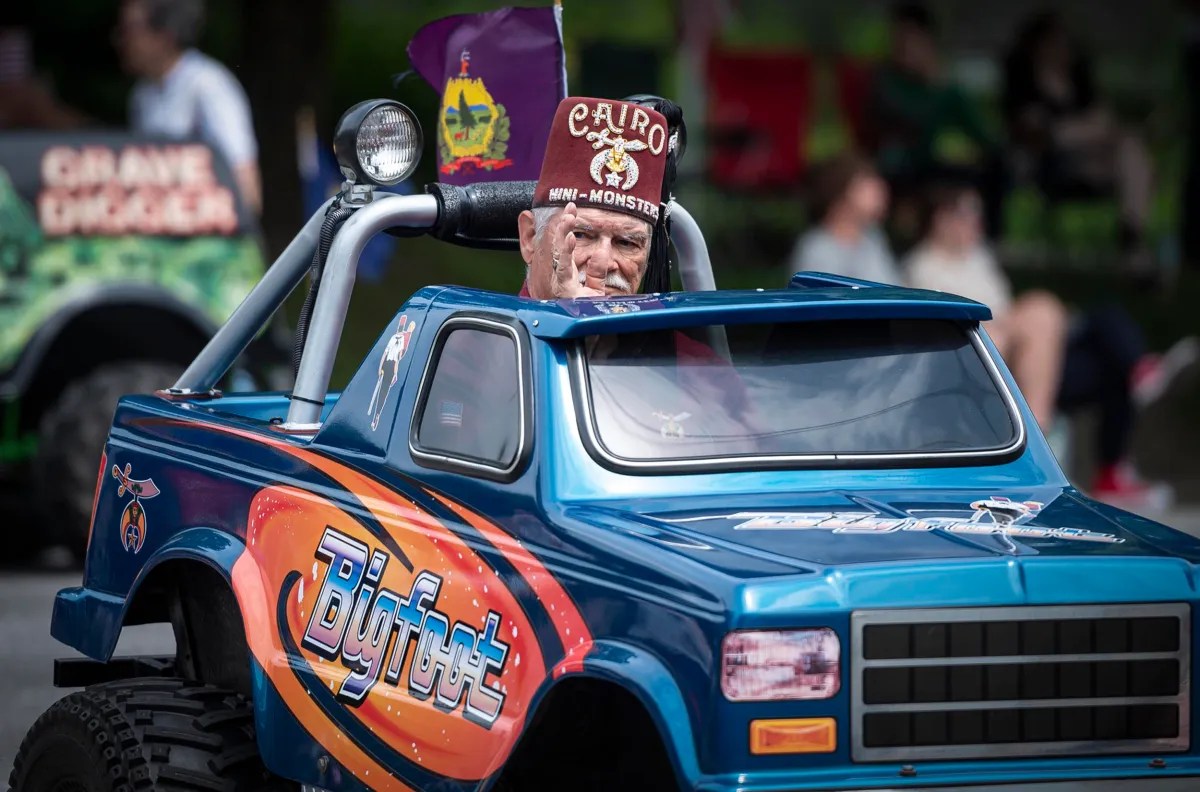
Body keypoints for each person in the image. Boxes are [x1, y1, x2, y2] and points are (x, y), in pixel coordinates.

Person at [903, 182, 1197, 510]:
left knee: (1107, 337)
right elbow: (958, 329)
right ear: (942, 219)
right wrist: (1029, 319)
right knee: (1045, 308)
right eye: (967, 214)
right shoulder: (923, 265)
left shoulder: (978, 259)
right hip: (989, 368)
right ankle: (1041, 432)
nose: (976, 223)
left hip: (1028, 359)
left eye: (978, 214)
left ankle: (1129, 408)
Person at [1002, 11, 1156, 276]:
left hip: (1097, 163)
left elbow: (1106, 123)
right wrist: (1081, 129)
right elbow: (1035, 134)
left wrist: (1074, 130)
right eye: (1054, 43)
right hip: (1053, 168)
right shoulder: (1024, 87)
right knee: (1123, 146)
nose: (1062, 50)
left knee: (1130, 148)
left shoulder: (1080, 85)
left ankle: (1131, 235)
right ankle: (1132, 242)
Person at [861, 2, 1007, 241]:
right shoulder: (887, 82)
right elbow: (902, 123)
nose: (905, 48)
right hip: (905, 166)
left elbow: (985, 138)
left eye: (912, 41)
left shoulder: (949, 90)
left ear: (928, 42)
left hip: (945, 166)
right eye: (901, 41)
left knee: (996, 165)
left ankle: (990, 242)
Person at [114, 0, 262, 214]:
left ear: (165, 36)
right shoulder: (142, 96)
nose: (121, 40)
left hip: (207, 236)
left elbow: (246, 186)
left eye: (130, 30)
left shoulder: (208, 85)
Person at [787, 153, 901, 284]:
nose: (880, 192)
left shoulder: (874, 238)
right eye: (865, 185)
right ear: (840, 194)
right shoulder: (816, 248)